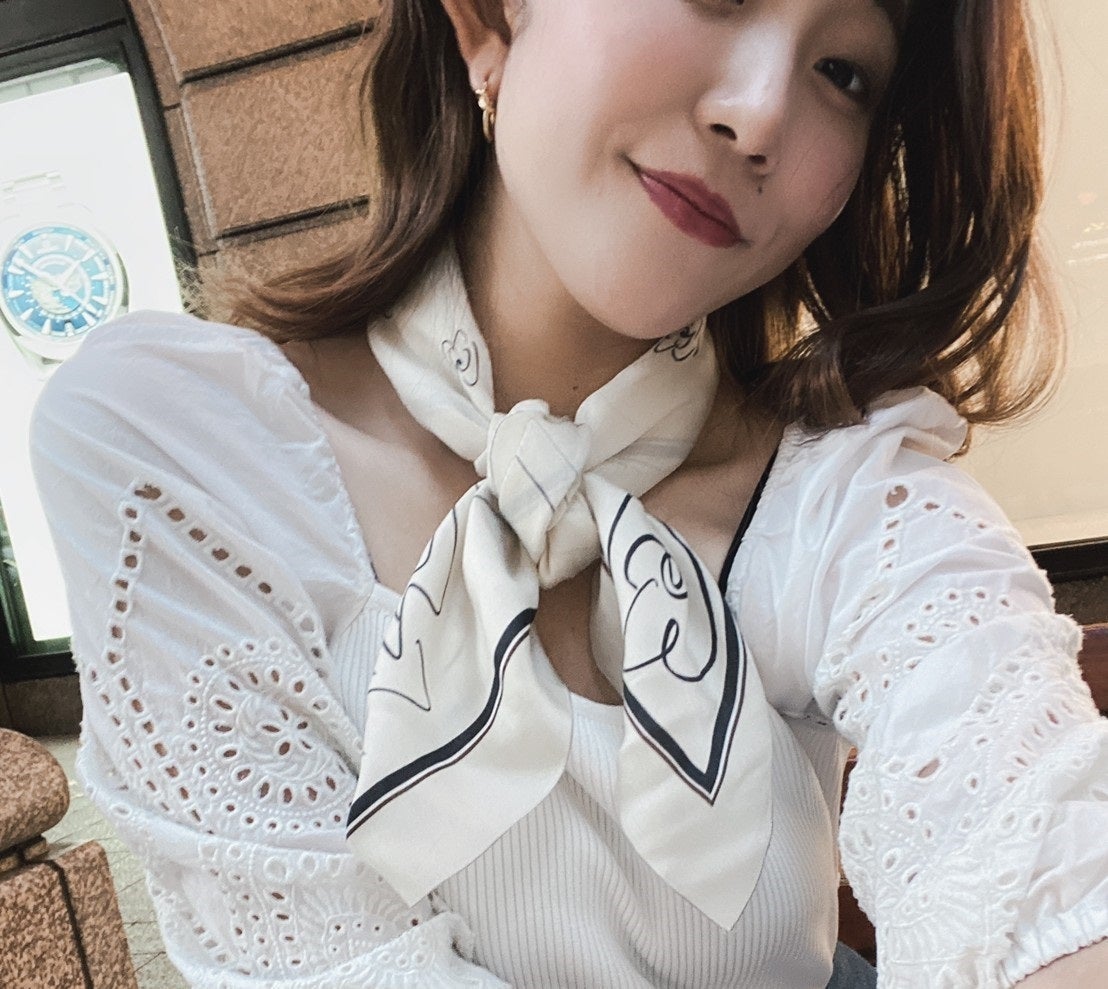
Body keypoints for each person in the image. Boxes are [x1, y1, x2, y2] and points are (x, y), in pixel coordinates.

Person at [28, 0, 1108, 985]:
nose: (759, 115)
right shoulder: (185, 450)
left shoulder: (847, 492)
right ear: (487, 20)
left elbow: (1025, 842)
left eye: (844, 72)